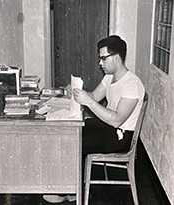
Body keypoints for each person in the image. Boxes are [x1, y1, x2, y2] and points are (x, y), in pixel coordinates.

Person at [43, 35, 145, 203]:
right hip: (108, 127)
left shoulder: (132, 85)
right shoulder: (110, 77)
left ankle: (72, 191)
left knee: (74, 140)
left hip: (120, 137)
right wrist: (77, 94)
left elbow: (117, 120)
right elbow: (95, 97)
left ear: (117, 58)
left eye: (103, 58)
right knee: (71, 132)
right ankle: (67, 185)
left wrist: (87, 101)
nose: (100, 63)